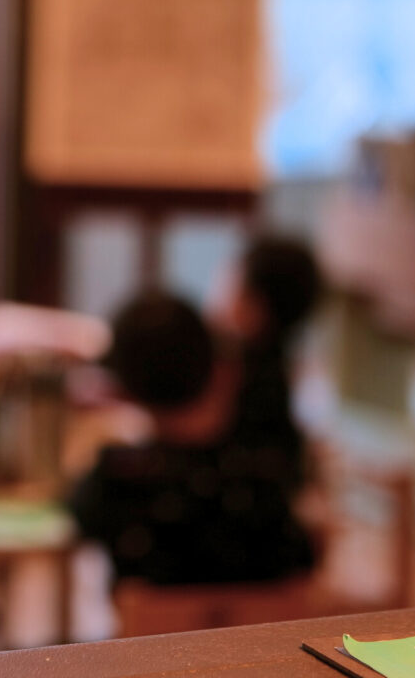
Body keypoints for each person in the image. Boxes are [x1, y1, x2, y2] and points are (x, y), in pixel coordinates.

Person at [65, 293, 314, 589]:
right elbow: (302, 560)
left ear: (125, 389)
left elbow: (78, 518)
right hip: (261, 620)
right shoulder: (261, 477)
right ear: (216, 369)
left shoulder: (117, 482)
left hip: (151, 621)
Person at [221, 232, 323, 490]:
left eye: (231, 281)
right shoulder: (279, 373)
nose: (219, 289)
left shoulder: (234, 379)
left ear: (256, 309)